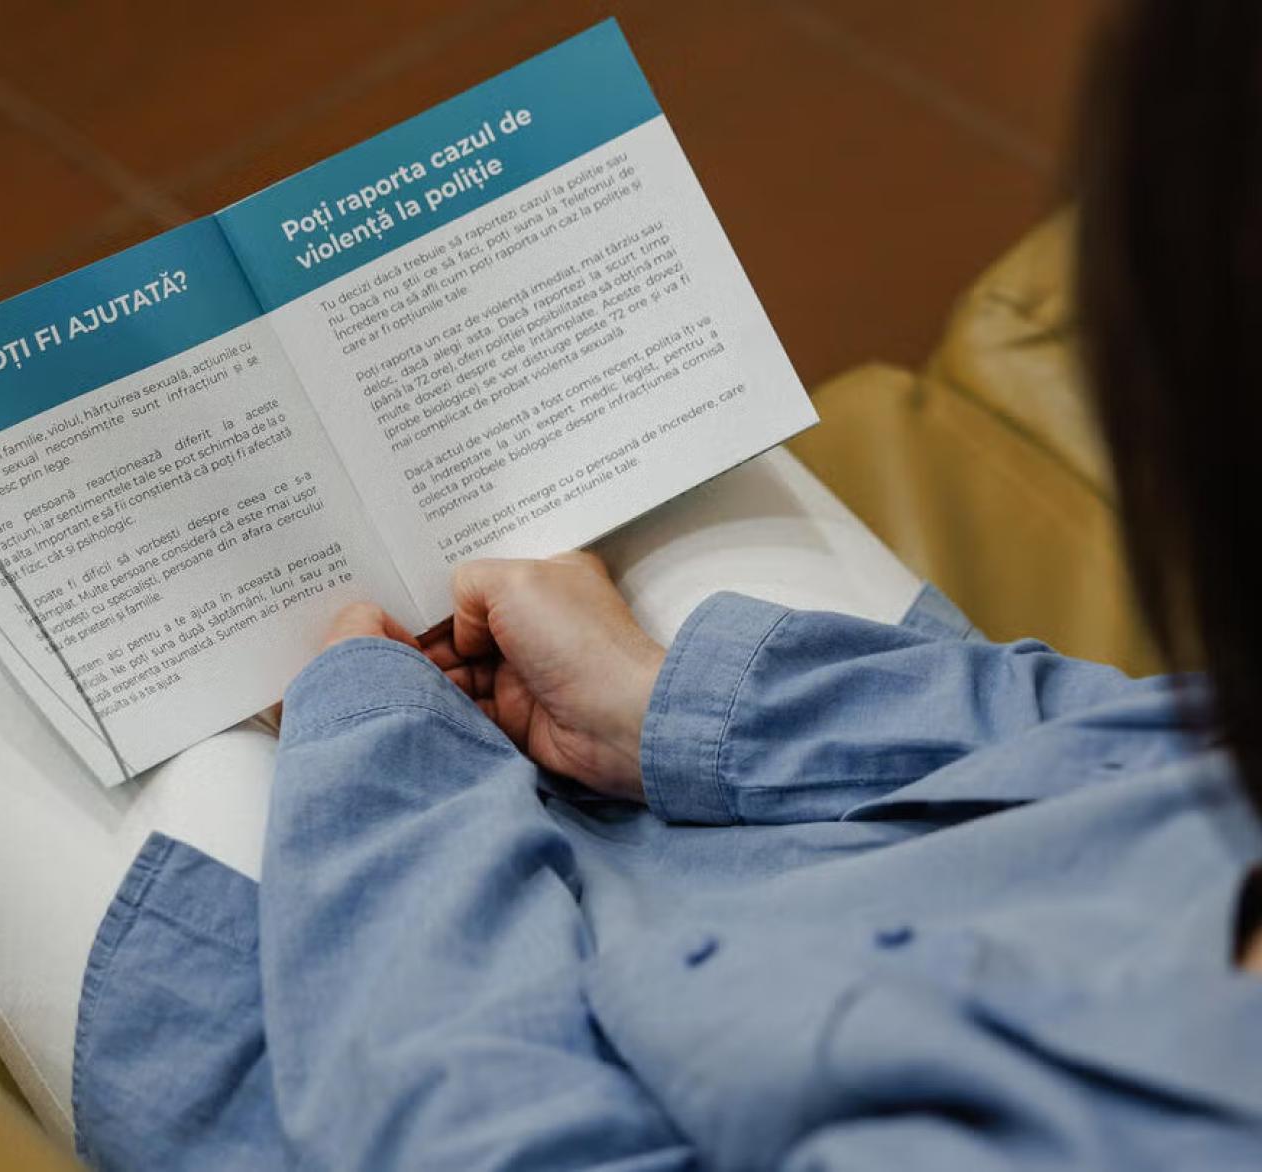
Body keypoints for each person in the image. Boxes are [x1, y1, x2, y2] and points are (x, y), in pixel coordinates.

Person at [71, 4, 1262, 1168]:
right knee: (569, 482)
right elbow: (1135, 737)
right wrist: (667, 706)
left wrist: (378, 758)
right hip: (840, 817)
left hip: (408, 1049)